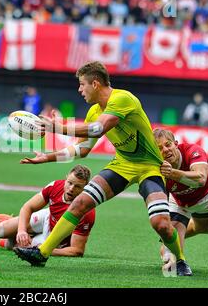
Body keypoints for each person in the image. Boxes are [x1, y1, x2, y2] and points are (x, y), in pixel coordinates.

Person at [14, 61, 192, 276]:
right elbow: (83, 149)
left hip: (150, 168)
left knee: (161, 224)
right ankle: (41, 253)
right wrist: (47, 158)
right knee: (80, 203)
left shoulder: (122, 98)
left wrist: (56, 126)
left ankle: (180, 260)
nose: (80, 90)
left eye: (82, 84)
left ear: (95, 83)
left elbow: (99, 129)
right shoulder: (94, 111)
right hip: (123, 165)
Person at [0, 165, 95, 257]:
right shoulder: (55, 186)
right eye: (70, 183)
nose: (71, 188)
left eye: (77, 186)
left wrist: (45, 249)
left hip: (55, 239)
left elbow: (77, 250)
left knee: (15, 246)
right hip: (47, 216)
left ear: (85, 188)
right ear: (66, 177)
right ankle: (17, 223)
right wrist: (21, 230)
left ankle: (14, 233)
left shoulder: (86, 211)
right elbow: (28, 207)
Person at [153, 128, 208, 272]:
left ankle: (172, 235)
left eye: (168, 144)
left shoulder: (193, 151)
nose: (166, 150)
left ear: (176, 144)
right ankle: (172, 243)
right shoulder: (156, 167)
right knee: (172, 254)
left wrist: (172, 173)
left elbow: (201, 178)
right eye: (159, 148)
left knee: (204, 228)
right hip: (178, 202)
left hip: (204, 198)